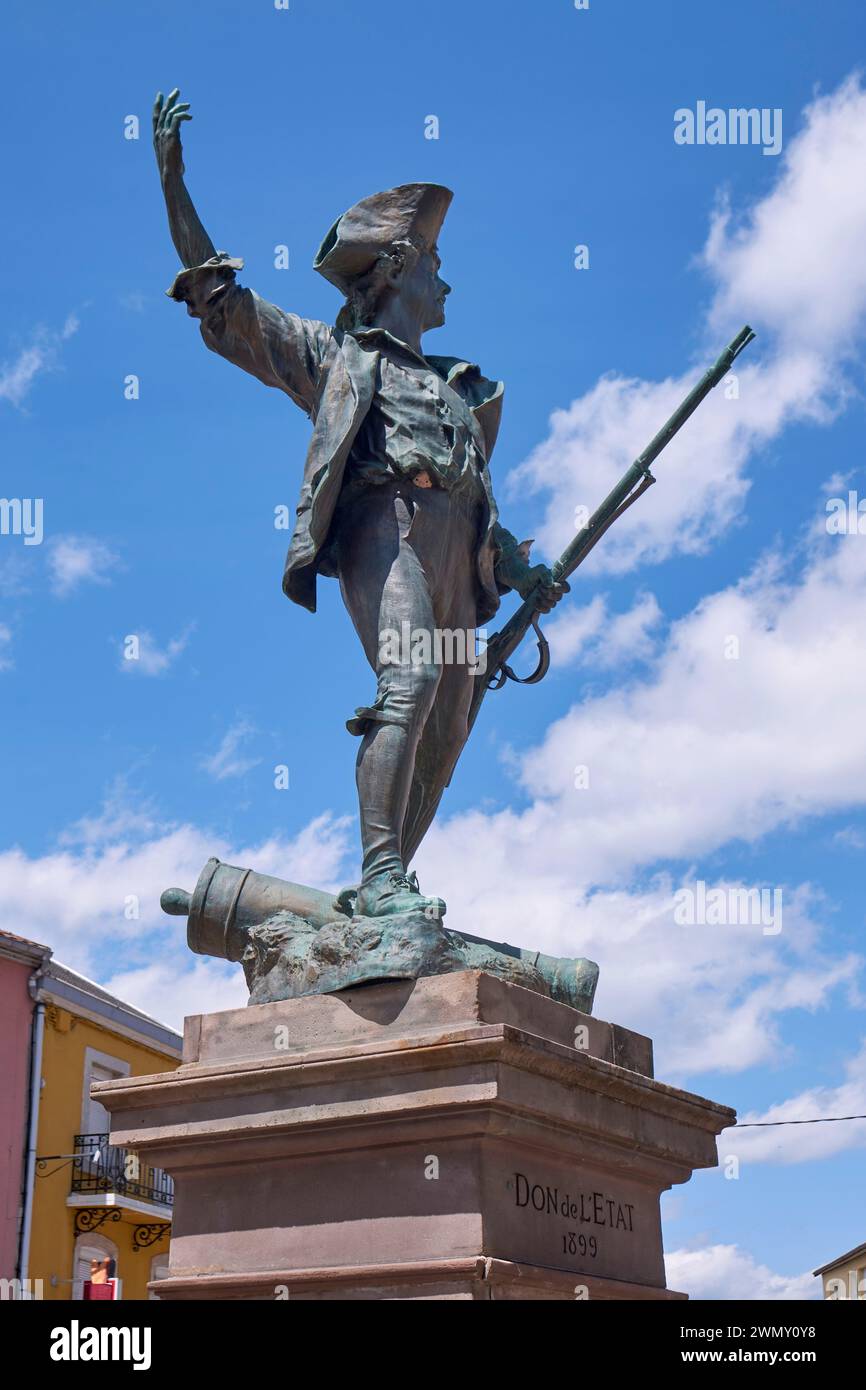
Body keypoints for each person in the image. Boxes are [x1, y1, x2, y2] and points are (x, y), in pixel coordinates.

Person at [153, 89, 567, 920]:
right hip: (390, 535)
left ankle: (383, 898)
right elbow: (230, 306)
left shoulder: (457, 388)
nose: (450, 279)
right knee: (408, 681)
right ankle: (380, 873)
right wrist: (175, 188)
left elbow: (472, 489)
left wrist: (521, 568)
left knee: (447, 732)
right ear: (403, 269)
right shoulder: (336, 357)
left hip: (458, 554)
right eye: (439, 263)